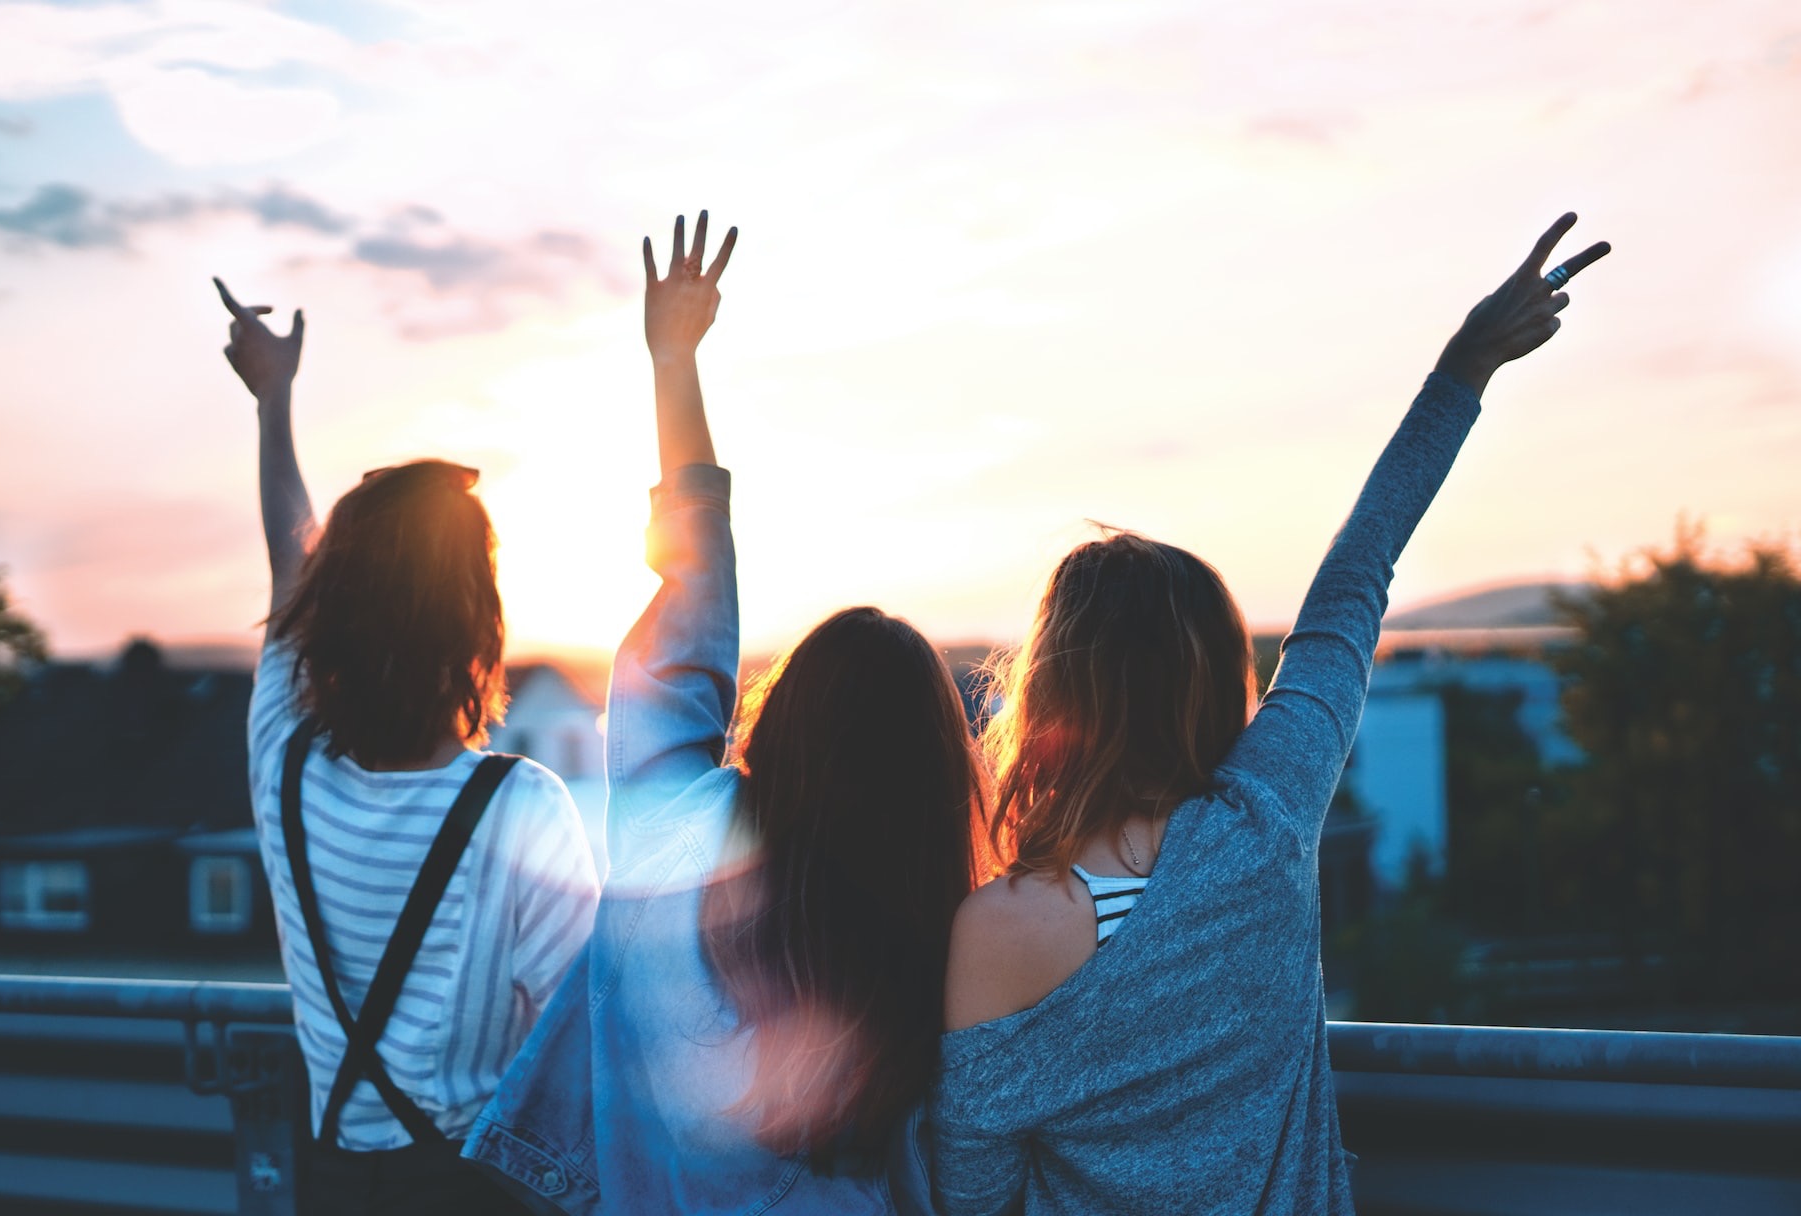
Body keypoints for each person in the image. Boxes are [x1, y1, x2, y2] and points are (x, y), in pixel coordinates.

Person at [930, 215, 1612, 1215]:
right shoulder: (1266, 821)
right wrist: (1464, 369)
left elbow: (970, 1197)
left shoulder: (997, 927)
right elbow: (1352, 587)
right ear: (1211, 681)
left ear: (1053, 692)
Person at [466, 213, 986, 1215]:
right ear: (931, 779)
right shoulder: (936, 947)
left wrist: (673, 361)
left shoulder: (675, 837)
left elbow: (693, 612)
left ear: (783, 721)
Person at [216, 278, 601, 1215]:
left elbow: (287, 560)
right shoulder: (522, 808)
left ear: (326, 619)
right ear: (476, 627)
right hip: (477, 1188)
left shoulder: (283, 762)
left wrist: (274, 401)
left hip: (331, 1181)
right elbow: (582, 1045)